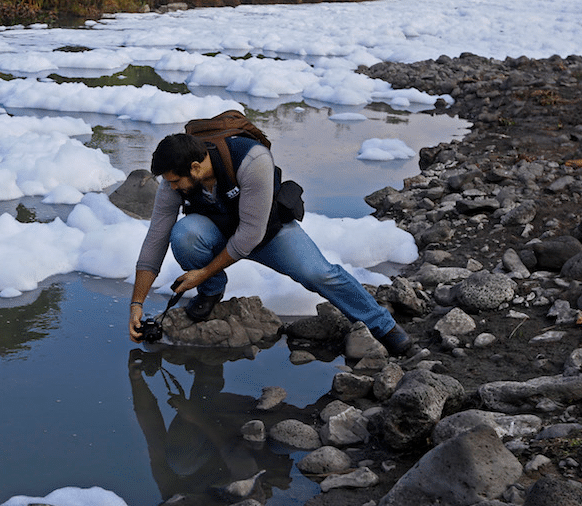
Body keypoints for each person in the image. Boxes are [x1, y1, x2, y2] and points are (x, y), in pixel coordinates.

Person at [127, 130, 414, 356]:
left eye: (176, 181)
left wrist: (202, 272)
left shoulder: (252, 160)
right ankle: (211, 292)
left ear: (195, 167)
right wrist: (136, 304)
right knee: (183, 235)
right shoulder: (175, 178)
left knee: (319, 273)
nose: (171, 187)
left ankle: (383, 325)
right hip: (216, 228)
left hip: (267, 232)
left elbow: (249, 237)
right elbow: (157, 237)